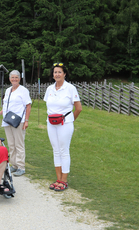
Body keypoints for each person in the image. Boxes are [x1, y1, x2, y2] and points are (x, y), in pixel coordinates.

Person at [44, 63, 82, 192]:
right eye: (55, 72)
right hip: (51, 123)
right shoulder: (49, 89)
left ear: (64, 74)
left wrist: (69, 120)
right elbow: (48, 106)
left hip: (64, 123)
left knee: (64, 150)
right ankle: (58, 179)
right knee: (56, 150)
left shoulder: (70, 88)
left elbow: (78, 108)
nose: (57, 74)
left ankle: (64, 180)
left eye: (59, 72)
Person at [0, 70, 31, 176]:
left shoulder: (23, 90)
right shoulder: (8, 90)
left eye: (16, 77)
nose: (14, 79)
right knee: (11, 144)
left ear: (19, 78)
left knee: (19, 144)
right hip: (7, 120)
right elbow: (7, 106)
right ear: (9, 79)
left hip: (19, 120)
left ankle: (21, 166)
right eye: (12, 77)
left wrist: (26, 120)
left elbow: (28, 105)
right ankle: (14, 165)